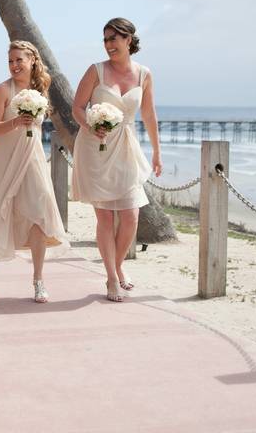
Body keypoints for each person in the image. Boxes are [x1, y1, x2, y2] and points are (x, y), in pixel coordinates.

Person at [71, 18, 161, 302]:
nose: (109, 44)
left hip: (126, 148)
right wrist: (90, 126)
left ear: (129, 39)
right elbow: (77, 107)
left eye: (114, 38)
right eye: (106, 39)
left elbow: (148, 114)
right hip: (95, 147)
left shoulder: (144, 74)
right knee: (105, 217)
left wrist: (157, 151)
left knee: (131, 215)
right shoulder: (95, 71)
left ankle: (118, 265)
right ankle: (111, 278)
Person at [0, 41, 69, 303]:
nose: (15, 65)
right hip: (5, 159)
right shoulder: (2, 90)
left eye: (19, 60)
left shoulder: (40, 90)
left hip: (33, 158)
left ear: (32, 62)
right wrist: (15, 121)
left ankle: (38, 280)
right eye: (11, 61)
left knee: (38, 214)